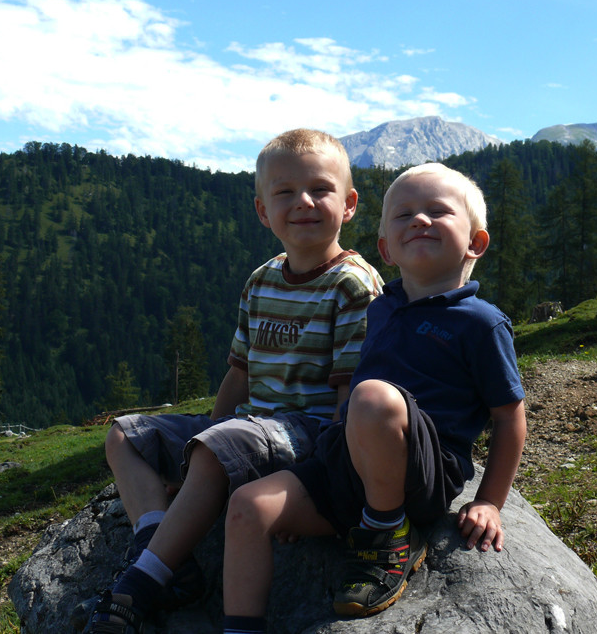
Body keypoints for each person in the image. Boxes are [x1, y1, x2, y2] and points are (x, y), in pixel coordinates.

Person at [83, 129, 383, 633]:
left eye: (320, 189)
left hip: (309, 435)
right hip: (248, 427)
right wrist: (203, 444)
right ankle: (164, 554)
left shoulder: (352, 285)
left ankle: (138, 587)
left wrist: (308, 488)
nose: (303, 202)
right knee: (124, 435)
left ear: (349, 204)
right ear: (263, 211)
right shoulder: (262, 280)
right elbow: (239, 373)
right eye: (284, 192)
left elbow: (348, 401)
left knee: (220, 441)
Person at [219, 162, 527, 633]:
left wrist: (489, 502)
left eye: (437, 212)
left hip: (420, 476)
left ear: (475, 243)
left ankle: (388, 534)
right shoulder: (382, 306)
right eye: (403, 215)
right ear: (385, 248)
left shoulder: (481, 323)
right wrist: (309, 483)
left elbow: (509, 419)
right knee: (247, 506)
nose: (419, 220)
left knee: (372, 398)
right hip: (346, 467)